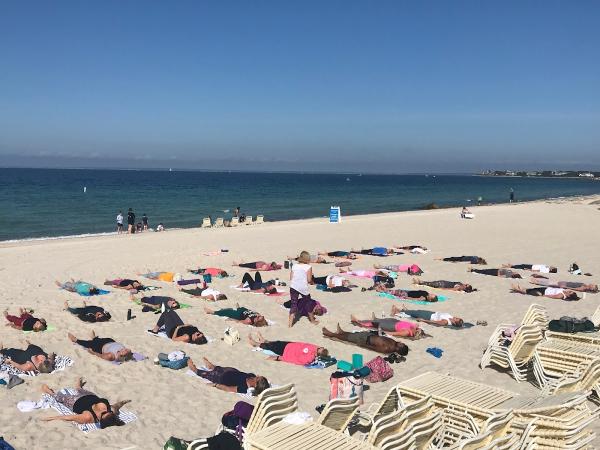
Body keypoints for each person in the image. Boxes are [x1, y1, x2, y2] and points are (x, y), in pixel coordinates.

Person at [40, 378, 130, 428]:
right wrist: (123, 402)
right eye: (109, 412)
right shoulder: (111, 411)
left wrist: (50, 418)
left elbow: (68, 417)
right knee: (80, 390)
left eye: (105, 413)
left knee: (58, 397)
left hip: (74, 401)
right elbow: (116, 406)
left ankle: (50, 392)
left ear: (101, 419)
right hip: (90, 395)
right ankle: (78, 387)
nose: (107, 411)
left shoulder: (88, 417)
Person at [187, 357, 269, 396]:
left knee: (206, 374)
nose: (257, 375)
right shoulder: (252, 376)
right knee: (218, 368)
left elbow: (228, 389)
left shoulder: (244, 388)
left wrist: (215, 385)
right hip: (228, 371)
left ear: (255, 384)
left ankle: (194, 369)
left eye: (258, 378)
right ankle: (212, 366)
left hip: (220, 379)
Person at [322, 324, 409, 355]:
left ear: (399, 349)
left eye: (402, 345)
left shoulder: (387, 349)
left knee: (349, 338)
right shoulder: (395, 344)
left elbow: (374, 348)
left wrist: (363, 345)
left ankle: (331, 334)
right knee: (353, 335)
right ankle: (342, 332)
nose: (402, 343)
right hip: (369, 335)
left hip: (365, 340)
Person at [248, 331, 329, 365]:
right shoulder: (315, 348)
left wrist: (278, 358)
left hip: (285, 351)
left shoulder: (309, 358)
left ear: (317, 354)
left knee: (272, 347)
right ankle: (264, 340)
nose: (318, 347)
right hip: (290, 344)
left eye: (319, 349)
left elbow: (295, 360)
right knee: (277, 342)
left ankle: (255, 344)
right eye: (320, 347)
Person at [68, 331, 133, 362]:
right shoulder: (127, 352)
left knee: (89, 343)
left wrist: (93, 353)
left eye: (124, 351)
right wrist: (127, 351)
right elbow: (129, 351)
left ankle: (75, 340)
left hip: (100, 346)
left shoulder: (111, 355)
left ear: (121, 356)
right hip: (110, 341)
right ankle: (94, 337)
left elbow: (101, 356)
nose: (124, 349)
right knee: (98, 340)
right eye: (125, 350)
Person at [289, 251, 314, 327]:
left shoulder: (294, 266)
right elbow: (309, 280)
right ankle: (312, 320)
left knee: (293, 304)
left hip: (293, 286)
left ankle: (290, 324)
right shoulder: (308, 267)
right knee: (308, 303)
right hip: (302, 287)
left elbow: (291, 278)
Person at [350, 314, 424, 338]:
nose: (418, 329)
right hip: (396, 322)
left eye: (417, 330)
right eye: (419, 329)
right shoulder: (414, 328)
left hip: (391, 326)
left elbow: (394, 334)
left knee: (374, 324)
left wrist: (382, 331)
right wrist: (416, 327)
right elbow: (417, 324)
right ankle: (375, 319)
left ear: (415, 333)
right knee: (382, 320)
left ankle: (358, 322)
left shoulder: (407, 332)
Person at [392, 304, 464, 328]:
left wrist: (424, 320)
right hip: (432, 313)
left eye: (456, 319)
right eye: (457, 317)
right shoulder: (451, 317)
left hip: (429, 316)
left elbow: (434, 322)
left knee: (418, 313)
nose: (456, 317)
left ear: (454, 322)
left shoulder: (445, 322)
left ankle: (398, 311)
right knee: (417, 311)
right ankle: (407, 311)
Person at [510, 284, 580, 301]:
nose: (569, 291)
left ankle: (517, 289)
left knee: (529, 291)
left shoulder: (562, 295)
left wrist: (544, 296)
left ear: (569, 295)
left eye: (570, 292)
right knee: (529, 290)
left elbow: (553, 296)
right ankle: (519, 289)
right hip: (545, 289)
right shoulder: (564, 291)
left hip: (544, 292)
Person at [374, 285, 438, 302]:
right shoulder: (426, 293)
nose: (431, 294)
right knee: (396, 291)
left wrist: (406, 298)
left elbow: (415, 299)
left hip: (406, 294)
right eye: (433, 294)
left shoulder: (424, 298)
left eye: (432, 295)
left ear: (429, 299)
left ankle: (380, 290)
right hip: (408, 292)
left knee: (394, 293)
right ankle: (384, 289)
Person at [529, 278, 598, 293]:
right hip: (566, 282)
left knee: (550, 283)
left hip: (564, 285)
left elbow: (574, 289)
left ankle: (535, 282)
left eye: (592, 286)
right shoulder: (585, 285)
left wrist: (564, 287)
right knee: (550, 282)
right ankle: (536, 280)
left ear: (591, 288)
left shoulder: (583, 289)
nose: (591, 284)